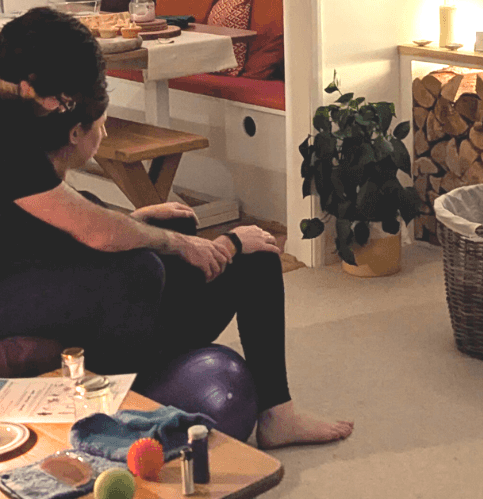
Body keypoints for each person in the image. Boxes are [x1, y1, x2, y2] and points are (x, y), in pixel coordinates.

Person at [0, 6, 351, 446]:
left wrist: (137, 222)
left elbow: (19, 224)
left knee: (212, 252)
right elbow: (92, 233)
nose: (64, 108)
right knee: (139, 270)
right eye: (65, 100)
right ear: (31, 87)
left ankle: (276, 414)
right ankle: (123, 402)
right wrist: (179, 244)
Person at [22, 94, 354, 448]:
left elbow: (90, 243)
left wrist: (137, 220)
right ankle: (278, 415)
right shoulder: (59, 202)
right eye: (101, 125)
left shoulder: (39, 192)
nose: (104, 134)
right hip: (115, 356)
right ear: (75, 133)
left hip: (106, 326)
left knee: (178, 224)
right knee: (258, 258)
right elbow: (120, 270)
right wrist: (229, 244)